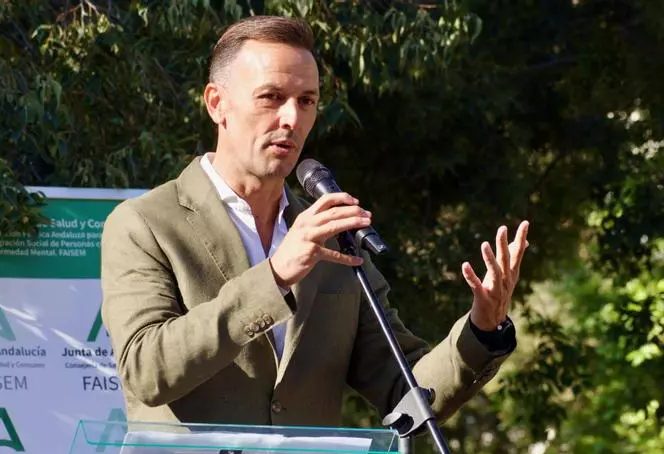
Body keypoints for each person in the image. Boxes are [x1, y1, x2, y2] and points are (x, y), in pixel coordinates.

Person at [99, 15, 529, 427]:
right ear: (217, 104)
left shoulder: (335, 237)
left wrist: (481, 328)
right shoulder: (145, 224)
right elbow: (146, 372)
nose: (292, 118)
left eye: (306, 101)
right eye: (271, 97)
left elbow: (405, 389)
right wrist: (275, 277)